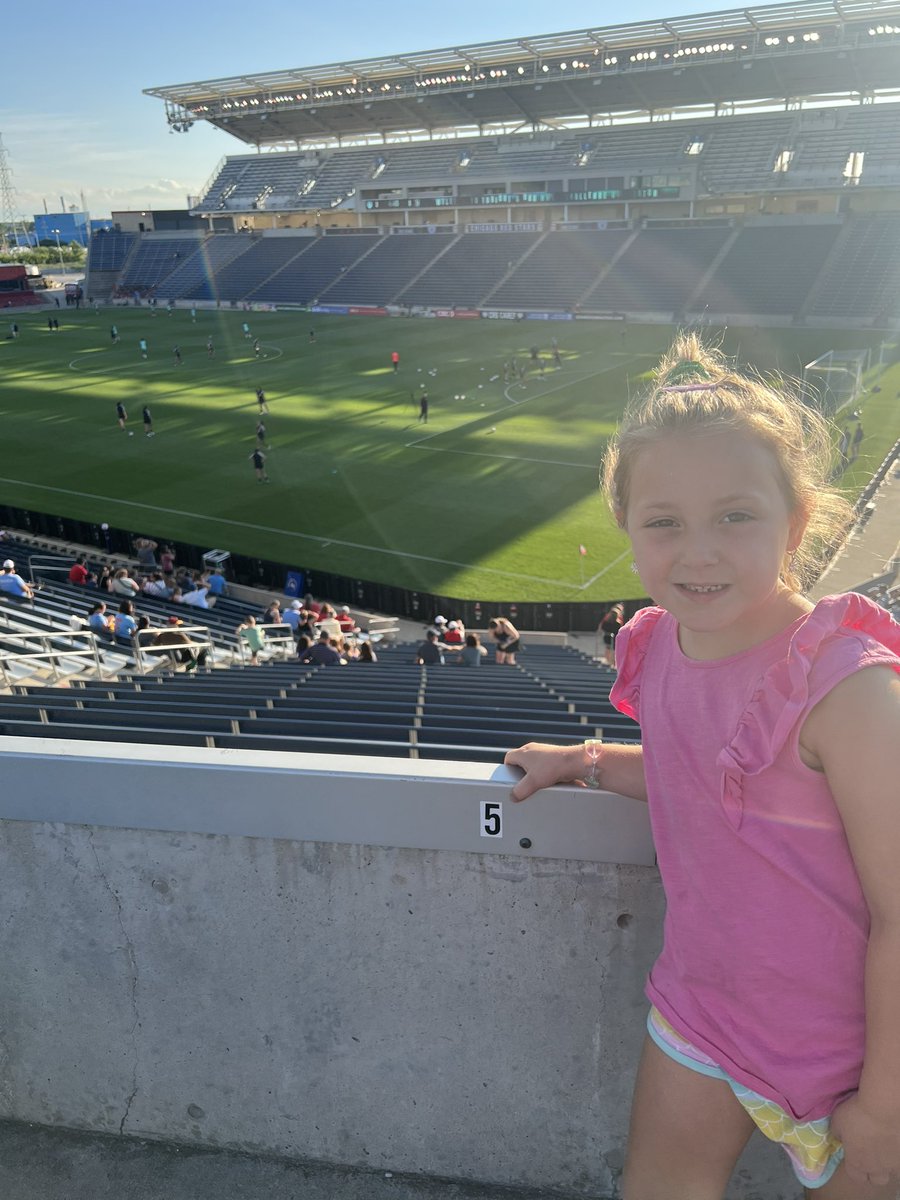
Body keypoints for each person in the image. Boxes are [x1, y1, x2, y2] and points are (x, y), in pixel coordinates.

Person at [505, 333, 900, 1199]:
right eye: (663, 523)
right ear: (626, 529)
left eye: (735, 515)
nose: (699, 551)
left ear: (795, 521)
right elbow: (706, 775)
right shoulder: (668, 646)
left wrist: (887, 1108)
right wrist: (587, 760)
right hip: (701, 1016)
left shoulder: (847, 687)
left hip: (855, 1063)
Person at [599, 602, 624, 669]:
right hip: (614, 638)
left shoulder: (606, 622)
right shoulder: (617, 623)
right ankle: (612, 663)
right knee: (613, 651)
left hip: (607, 638)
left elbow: (602, 628)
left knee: (608, 648)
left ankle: (608, 661)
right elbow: (619, 631)